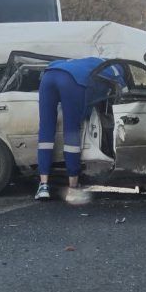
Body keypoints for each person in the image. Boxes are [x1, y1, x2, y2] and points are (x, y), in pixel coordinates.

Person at [35, 57, 125, 203]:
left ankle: (43, 186)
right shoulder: (115, 69)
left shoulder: (84, 61)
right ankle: (73, 187)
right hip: (71, 81)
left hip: (48, 76)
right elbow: (122, 91)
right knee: (71, 131)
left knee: (45, 129)